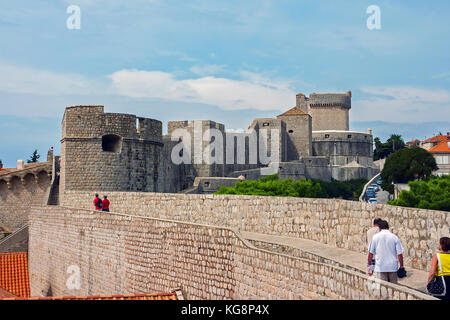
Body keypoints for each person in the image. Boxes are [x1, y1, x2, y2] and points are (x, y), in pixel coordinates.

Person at [367, 220, 404, 284]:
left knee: (383, 290)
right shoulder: (394, 237)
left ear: (379, 228)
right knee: (393, 289)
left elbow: (370, 254)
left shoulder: (375, 237)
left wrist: (369, 266)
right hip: (392, 267)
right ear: (388, 227)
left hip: (380, 267)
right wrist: (401, 266)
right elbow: (399, 254)